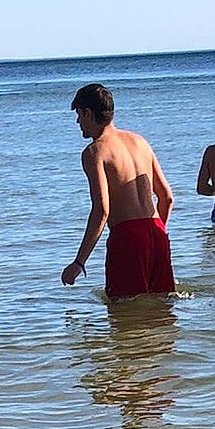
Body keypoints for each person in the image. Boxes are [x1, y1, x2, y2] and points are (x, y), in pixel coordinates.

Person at [61, 84, 176, 299]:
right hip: (157, 232)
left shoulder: (95, 152)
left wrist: (79, 262)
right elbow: (167, 198)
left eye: (79, 115)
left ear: (88, 113)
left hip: (127, 238)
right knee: (162, 309)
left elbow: (102, 210)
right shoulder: (140, 141)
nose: (78, 122)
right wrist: (156, 234)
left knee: (124, 312)